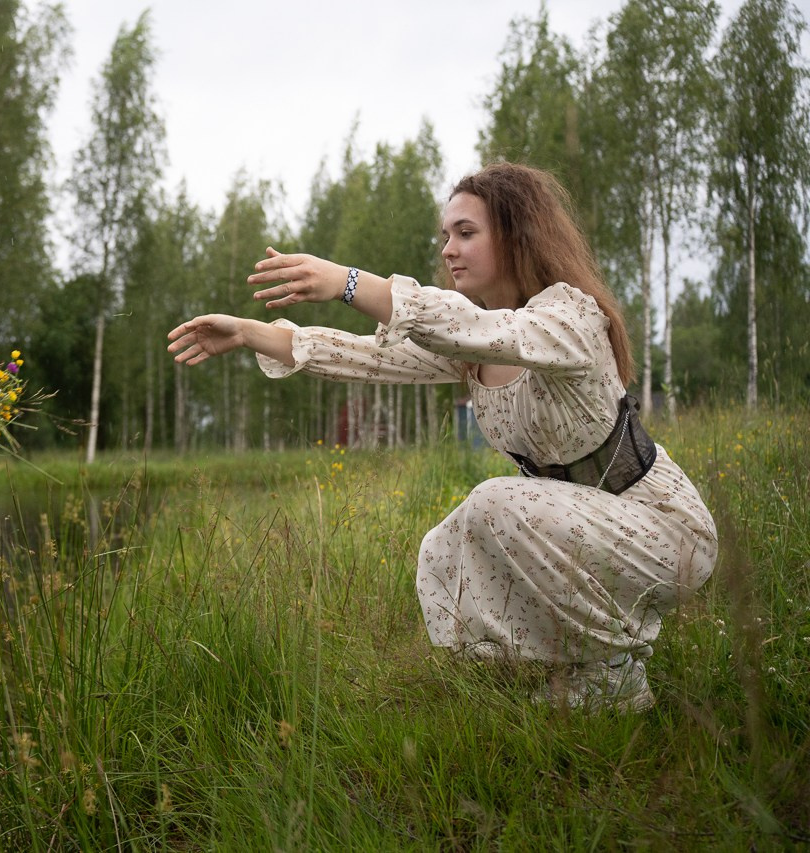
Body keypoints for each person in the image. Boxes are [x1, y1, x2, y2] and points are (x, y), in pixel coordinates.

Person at [166, 162, 717, 712]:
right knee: (443, 548)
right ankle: (559, 665)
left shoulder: (569, 318)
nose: (449, 249)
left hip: (662, 529)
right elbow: (364, 356)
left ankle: (616, 674)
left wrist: (348, 283)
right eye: (446, 235)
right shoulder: (472, 341)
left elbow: (484, 329)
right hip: (586, 529)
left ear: (517, 235)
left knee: (495, 502)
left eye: (467, 233)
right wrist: (246, 333)